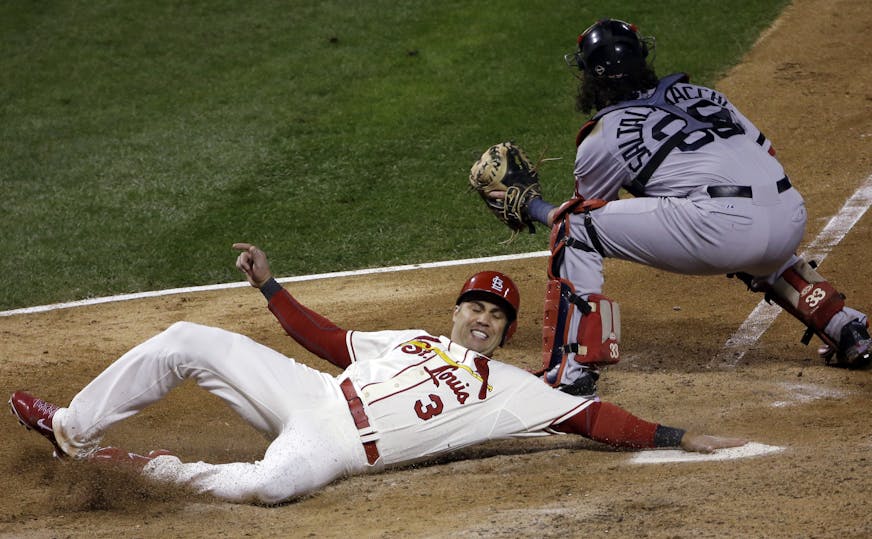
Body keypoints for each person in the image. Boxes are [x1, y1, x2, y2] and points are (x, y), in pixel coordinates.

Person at [9, 243, 745, 505]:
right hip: (312, 394)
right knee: (188, 338)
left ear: (507, 332)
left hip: (338, 448)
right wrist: (270, 287)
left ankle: (145, 467)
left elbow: (592, 419)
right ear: (456, 311)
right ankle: (72, 428)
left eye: (496, 314)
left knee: (269, 485)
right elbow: (328, 341)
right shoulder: (413, 338)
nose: (482, 317)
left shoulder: (513, 390)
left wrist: (676, 436)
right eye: (475, 305)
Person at [512, 18, 871, 396]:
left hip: (723, 231)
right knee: (753, 231)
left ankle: (572, 374)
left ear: (588, 76)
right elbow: (765, 152)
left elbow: (586, 213)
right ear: (642, 57)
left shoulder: (602, 137)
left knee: (575, 230)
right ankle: (845, 326)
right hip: (790, 215)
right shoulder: (704, 95)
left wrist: (534, 207)